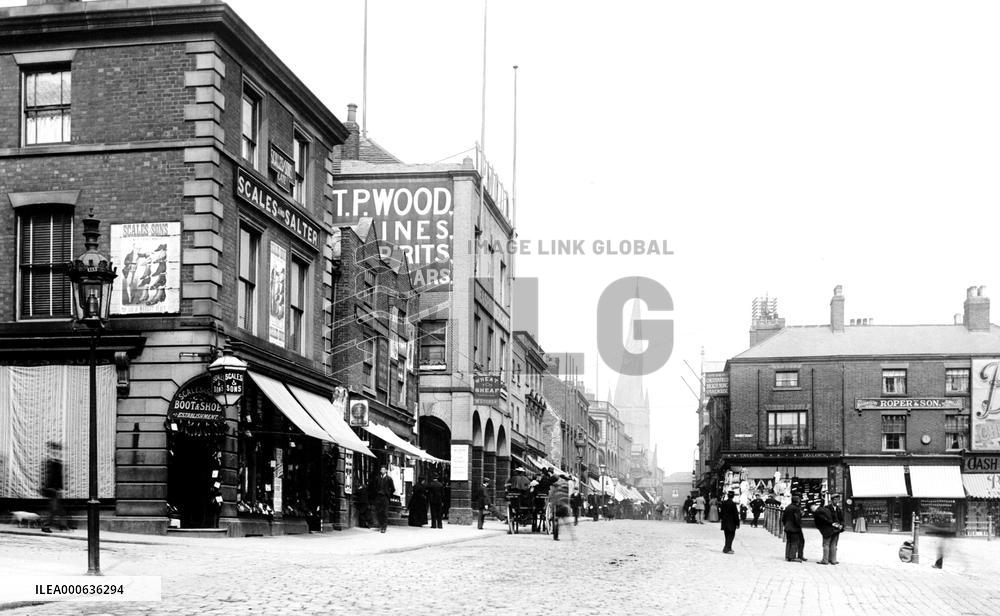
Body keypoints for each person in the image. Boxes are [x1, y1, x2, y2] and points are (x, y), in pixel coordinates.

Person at [40, 441, 67, 533]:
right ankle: (46, 525)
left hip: (55, 489)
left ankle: (63, 525)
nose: (58, 451)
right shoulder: (51, 462)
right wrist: (52, 488)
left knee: (58, 508)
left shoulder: (56, 462)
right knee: (54, 508)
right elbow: (51, 476)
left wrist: (60, 488)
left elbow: (59, 476)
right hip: (52, 489)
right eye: (56, 449)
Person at [811, 501, 841, 565]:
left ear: (813, 507)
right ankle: (833, 560)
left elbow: (824, 520)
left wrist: (830, 524)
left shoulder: (818, 512)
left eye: (811, 509)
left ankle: (825, 560)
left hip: (827, 530)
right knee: (833, 545)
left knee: (826, 545)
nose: (811, 511)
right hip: (835, 529)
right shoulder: (826, 509)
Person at [782, 496, 804, 562]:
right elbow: (797, 518)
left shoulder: (787, 507)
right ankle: (792, 557)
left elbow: (783, 518)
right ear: (797, 501)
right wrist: (799, 524)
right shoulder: (796, 508)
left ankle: (787, 555)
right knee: (795, 542)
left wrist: (785, 524)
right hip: (794, 527)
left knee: (789, 541)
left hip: (787, 526)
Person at [373, 465, 395, 533]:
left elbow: (393, 488)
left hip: (385, 497)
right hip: (378, 496)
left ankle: (384, 527)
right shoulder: (377, 478)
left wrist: (388, 494)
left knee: (384, 512)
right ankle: (380, 524)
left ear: (386, 470)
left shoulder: (389, 479)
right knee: (379, 511)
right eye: (381, 469)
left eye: (383, 469)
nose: (382, 471)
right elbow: (375, 486)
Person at [827, 494, 845, 564]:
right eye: (834, 499)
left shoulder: (839, 509)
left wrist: (841, 525)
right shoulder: (827, 508)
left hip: (836, 530)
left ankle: (833, 559)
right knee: (828, 544)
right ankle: (828, 558)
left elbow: (842, 519)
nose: (836, 501)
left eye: (837, 500)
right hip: (829, 528)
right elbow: (825, 518)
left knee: (834, 544)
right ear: (831, 500)